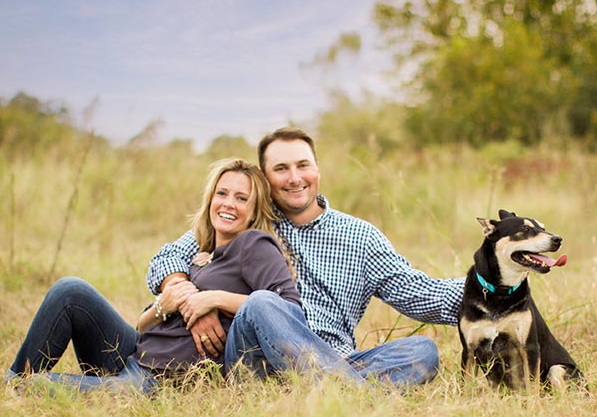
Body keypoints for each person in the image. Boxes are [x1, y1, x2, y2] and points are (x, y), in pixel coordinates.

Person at [147, 127, 466, 386]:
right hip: (258, 357)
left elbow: (423, 295)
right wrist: (191, 298)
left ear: (317, 169)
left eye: (303, 165)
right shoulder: (252, 219)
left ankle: (326, 388)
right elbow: (169, 256)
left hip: (334, 357)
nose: (295, 178)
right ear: (265, 179)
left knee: (421, 351)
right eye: (281, 169)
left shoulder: (359, 236)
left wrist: (499, 289)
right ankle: (344, 394)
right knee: (263, 303)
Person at [5, 158, 300, 393]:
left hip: (160, 380)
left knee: (40, 386)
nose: (227, 204)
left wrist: (215, 299)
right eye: (221, 194)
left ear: (253, 211)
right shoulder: (202, 254)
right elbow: (143, 324)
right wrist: (169, 303)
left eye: (241, 198)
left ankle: (18, 388)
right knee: (71, 291)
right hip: (133, 353)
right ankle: (12, 382)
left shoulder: (254, 246)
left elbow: (286, 309)